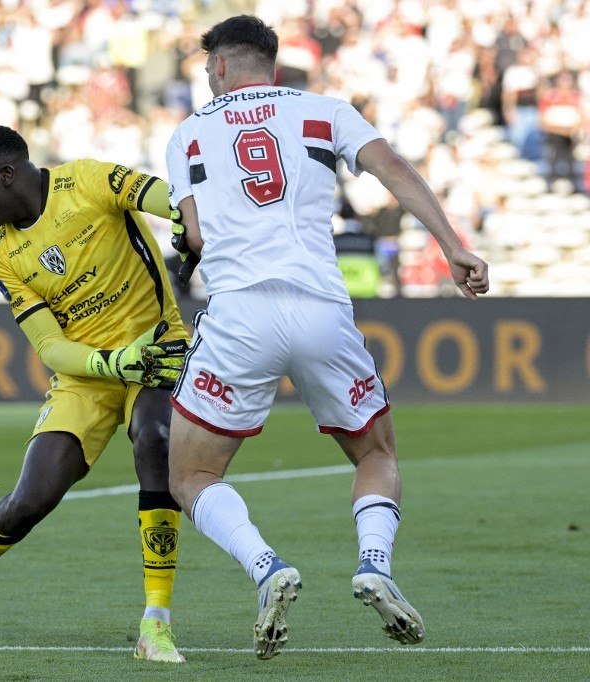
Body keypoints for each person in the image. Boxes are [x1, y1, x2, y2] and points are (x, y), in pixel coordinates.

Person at [164, 16, 490, 661]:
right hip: (321, 308)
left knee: (193, 475)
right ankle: (374, 564)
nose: (207, 77)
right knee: (376, 453)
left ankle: (266, 567)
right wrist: (453, 246)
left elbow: (195, 237)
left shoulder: (189, 134)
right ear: (273, 66)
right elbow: (391, 167)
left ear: (221, 66)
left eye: (207, 68)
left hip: (239, 315)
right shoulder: (324, 111)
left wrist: (190, 245)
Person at [0, 124, 191, 663]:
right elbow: (50, 346)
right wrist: (110, 362)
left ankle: (156, 625)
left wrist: (190, 222)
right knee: (32, 499)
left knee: (156, 439)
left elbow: (167, 199)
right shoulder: (1, 253)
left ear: (7, 174)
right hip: (86, 376)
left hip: (159, 349)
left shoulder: (90, 181)